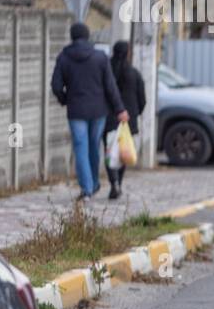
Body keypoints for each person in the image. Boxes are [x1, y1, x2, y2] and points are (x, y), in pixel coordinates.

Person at [50, 23, 128, 199]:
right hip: (98, 111)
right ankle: (93, 183)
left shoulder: (64, 57)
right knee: (94, 147)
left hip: (76, 110)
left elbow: (56, 86)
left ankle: (87, 189)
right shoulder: (100, 57)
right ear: (87, 36)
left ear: (72, 36)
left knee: (80, 148)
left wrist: (65, 99)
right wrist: (120, 109)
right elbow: (110, 86)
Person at [107, 40, 146, 200]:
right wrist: (136, 112)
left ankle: (114, 182)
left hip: (110, 118)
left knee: (109, 151)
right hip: (129, 118)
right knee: (123, 152)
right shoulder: (134, 74)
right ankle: (119, 184)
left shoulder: (107, 71)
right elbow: (142, 99)